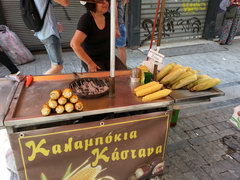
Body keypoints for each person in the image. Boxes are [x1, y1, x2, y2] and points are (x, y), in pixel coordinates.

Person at [70, 0, 126, 72]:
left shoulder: (108, 16)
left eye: (106, 0)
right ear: (92, 4)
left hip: (108, 57)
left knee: (124, 75)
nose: (105, 3)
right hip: (92, 59)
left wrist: (117, 28)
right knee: (102, 81)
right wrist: (89, 63)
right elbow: (74, 44)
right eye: (100, 1)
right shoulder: (86, 19)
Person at [33, 0, 69, 74]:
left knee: (54, 65)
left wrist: (55, 23)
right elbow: (65, 2)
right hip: (49, 33)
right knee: (57, 66)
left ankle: (54, 83)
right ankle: (40, 83)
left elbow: (42, 10)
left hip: (42, 31)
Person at [116, 0, 128, 65]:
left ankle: (122, 69)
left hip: (117, 24)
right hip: (118, 23)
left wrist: (116, 27)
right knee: (121, 48)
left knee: (121, 48)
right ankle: (122, 68)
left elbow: (115, 6)